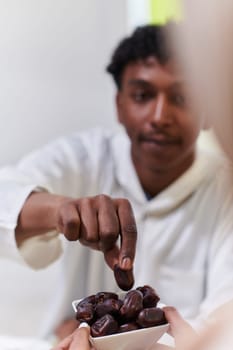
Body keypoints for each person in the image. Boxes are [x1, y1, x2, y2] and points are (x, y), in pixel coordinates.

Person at [0, 23, 233, 342]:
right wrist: (59, 209)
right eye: (142, 95)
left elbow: (225, 321)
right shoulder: (85, 158)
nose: (160, 116)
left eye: (183, 97)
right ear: (119, 106)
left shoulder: (226, 190)